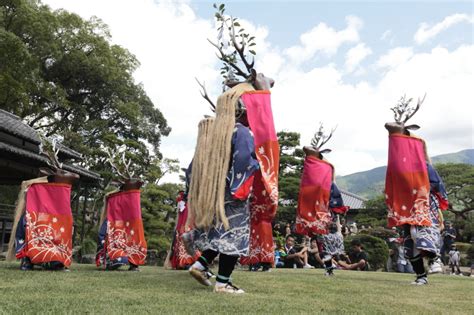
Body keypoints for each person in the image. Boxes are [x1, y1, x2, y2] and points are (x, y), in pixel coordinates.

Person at [186, 70, 279, 294]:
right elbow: (245, 160)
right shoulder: (242, 132)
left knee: (221, 234)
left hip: (215, 192)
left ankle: (199, 265)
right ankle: (223, 283)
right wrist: (242, 187)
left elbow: (192, 168)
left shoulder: (214, 132)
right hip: (234, 190)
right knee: (234, 237)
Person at [384, 95, 449, 285]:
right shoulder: (397, 166)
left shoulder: (425, 167)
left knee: (419, 234)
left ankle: (436, 259)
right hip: (405, 206)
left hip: (423, 205)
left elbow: (437, 188)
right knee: (409, 243)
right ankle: (421, 276)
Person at [294, 125, 349, 276]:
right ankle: (329, 268)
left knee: (323, 239)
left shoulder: (326, 166)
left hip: (324, 208)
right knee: (319, 240)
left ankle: (330, 267)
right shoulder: (310, 165)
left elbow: (330, 181)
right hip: (312, 207)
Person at [96, 178, 147, 271]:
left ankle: (131, 262)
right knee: (112, 234)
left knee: (132, 235)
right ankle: (115, 259)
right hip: (116, 217)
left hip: (126, 219)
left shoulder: (131, 195)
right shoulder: (114, 197)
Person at [166, 191, 200, 270]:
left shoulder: (188, 204)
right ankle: (185, 262)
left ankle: (189, 261)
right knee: (182, 243)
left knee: (187, 242)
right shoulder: (183, 203)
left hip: (186, 226)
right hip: (183, 226)